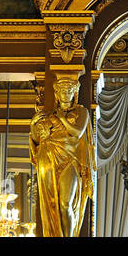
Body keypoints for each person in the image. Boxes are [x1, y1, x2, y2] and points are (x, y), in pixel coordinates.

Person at [30, 76, 94, 237]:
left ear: (74, 93)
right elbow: (37, 139)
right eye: (62, 91)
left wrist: (62, 119)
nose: (66, 94)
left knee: (66, 203)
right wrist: (33, 125)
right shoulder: (48, 116)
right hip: (48, 157)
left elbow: (77, 132)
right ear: (57, 94)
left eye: (69, 91)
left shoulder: (81, 111)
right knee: (50, 202)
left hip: (70, 159)